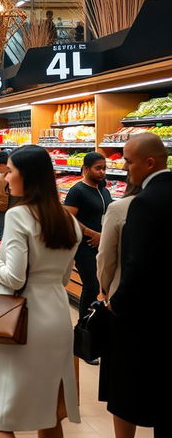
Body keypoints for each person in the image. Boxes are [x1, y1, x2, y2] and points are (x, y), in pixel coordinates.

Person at [0, 145, 81, 436]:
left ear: (26, 176)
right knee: (48, 412)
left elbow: (15, 278)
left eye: (10, 171)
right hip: (56, 318)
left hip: (20, 322)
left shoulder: (20, 216)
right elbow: (64, 276)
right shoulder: (68, 220)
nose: (6, 178)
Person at [103, 133, 169, 437]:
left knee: (129, 389)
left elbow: (137, 263)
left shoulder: (144, 203)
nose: (126, 168)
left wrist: (117, 302)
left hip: (144, 316)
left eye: (128, 162)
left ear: (149, 163)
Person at [63, 151, 112, 328]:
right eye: (98, 168)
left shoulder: (104, 190)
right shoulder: (77, 190)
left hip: (102, 244)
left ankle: (94, 325)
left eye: (104, 168)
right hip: (84, 246)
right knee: (91, 285)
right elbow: (68, 218)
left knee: (100, 286)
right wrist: (93, 234)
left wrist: (104, 236)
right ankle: (83, 328)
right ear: (85, 169)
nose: (102, 172)